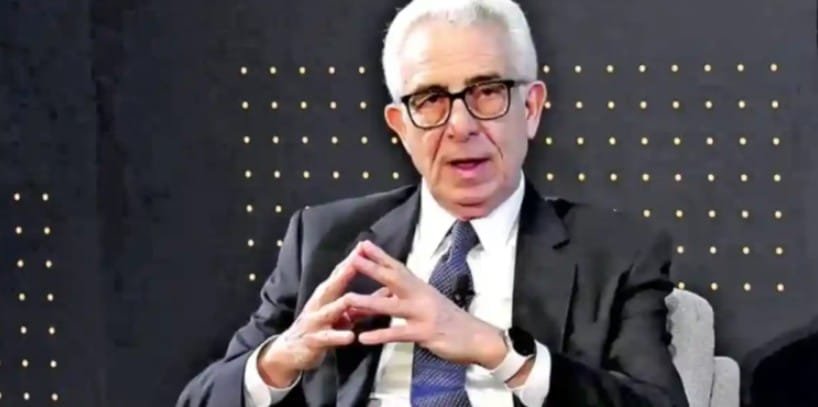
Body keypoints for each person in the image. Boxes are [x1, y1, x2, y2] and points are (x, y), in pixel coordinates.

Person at [177, 0, 689, 405]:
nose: (461, 126)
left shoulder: (615, 253)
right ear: (400, 127)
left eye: (488, 91)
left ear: (531, 108)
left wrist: (499, 351)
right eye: (431, 100)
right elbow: (199, 399)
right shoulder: (325, 241)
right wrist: (282, 358)